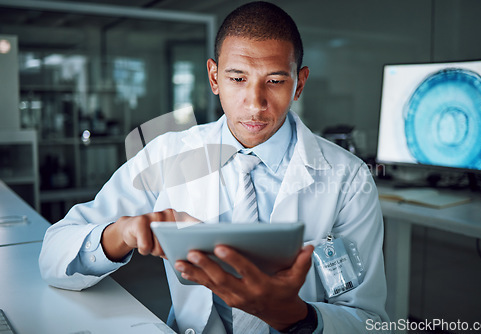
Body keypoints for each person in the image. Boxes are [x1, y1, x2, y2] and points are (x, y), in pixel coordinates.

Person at [39, 2, 389, 333]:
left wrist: (293, 316)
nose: (255, 104)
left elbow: (369, 319)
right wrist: (120, 234)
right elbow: (54, 254)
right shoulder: (168, 154)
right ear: (214, 77)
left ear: (299, 83)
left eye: (275, 80)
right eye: (238, 79)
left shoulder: (348, 178)